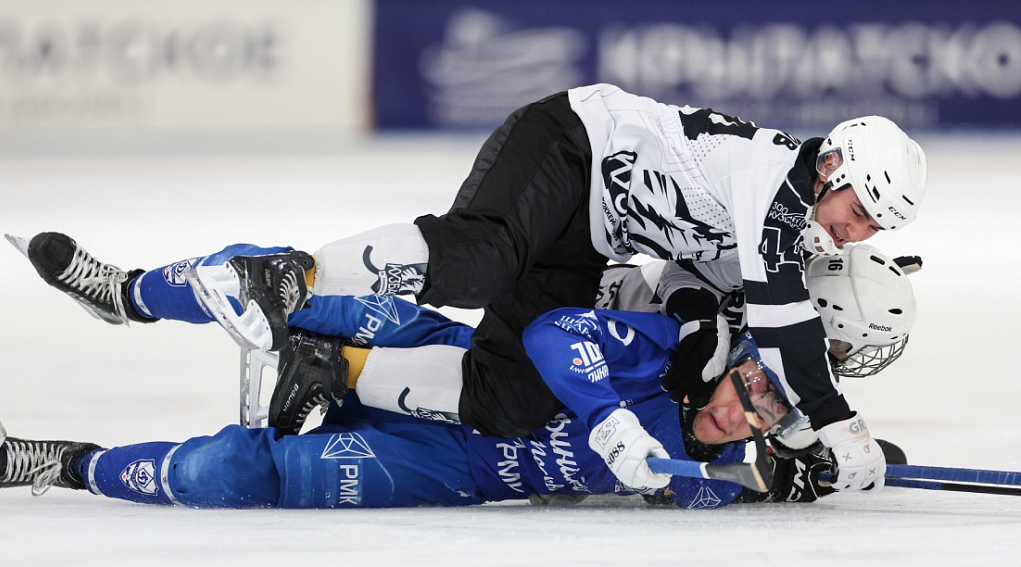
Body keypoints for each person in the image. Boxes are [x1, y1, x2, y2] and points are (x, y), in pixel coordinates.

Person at [180, 84, 926, 494]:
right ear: (832, 165)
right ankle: (288, 278)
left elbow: (700, 288)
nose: (856, 232)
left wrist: (798, 446)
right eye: (858, 211)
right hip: (574, 149)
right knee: (480, 262)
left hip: (593, 246)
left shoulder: (789, 236)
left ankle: (328, 363)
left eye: (871, 230)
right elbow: (786, 331)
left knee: (509, 400)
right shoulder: (777, 196)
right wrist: (836, 426)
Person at [0, 243, 917, 509]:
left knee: (234, 477)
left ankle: (62, 464)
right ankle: (125, 290)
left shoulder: (774, 412)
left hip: (458, 468)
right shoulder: (692, 330)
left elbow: (741, 476)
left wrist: (802, 473)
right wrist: (615, 421)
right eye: (831, 353)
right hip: (458, 366)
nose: (818, 378)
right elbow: (553, 337)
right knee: (279, 281)